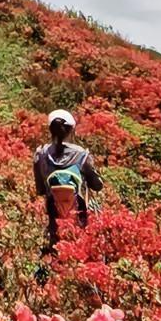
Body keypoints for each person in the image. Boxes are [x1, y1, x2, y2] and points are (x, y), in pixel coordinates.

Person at [33, 108, 102, 255]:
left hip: (54, 215)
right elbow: (97, 186)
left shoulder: (40, 154)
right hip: (80, 215)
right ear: (71, 130)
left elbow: (40, 190)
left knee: (55, 252)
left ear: (51, 130)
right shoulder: (82, 155)